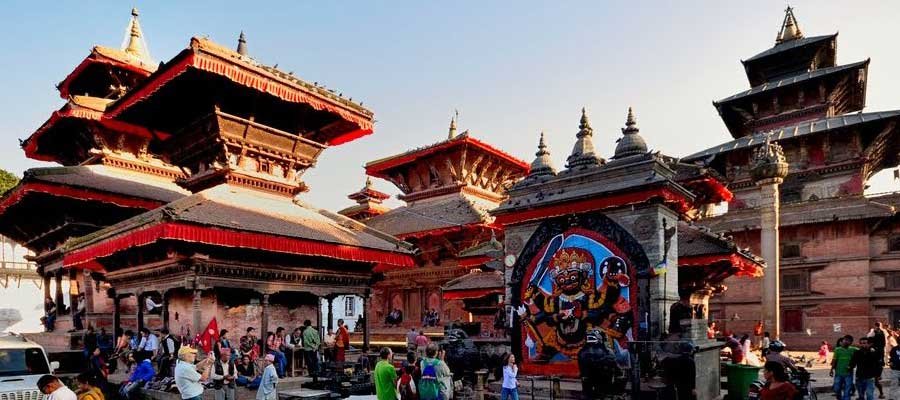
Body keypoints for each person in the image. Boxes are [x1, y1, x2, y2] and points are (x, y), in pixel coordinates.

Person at [831, 335, 858, 400]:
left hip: (848, 373)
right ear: (842, 341)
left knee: (847, 389)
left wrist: (871, 349)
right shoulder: (837, 350)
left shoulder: (853, 349)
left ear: (851, 342)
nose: (846, 342)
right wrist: (831, 369)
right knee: (837, 388)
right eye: (845, 340)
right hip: (838, 373)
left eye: (848, 341)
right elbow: (834, 360)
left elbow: (862, 350)